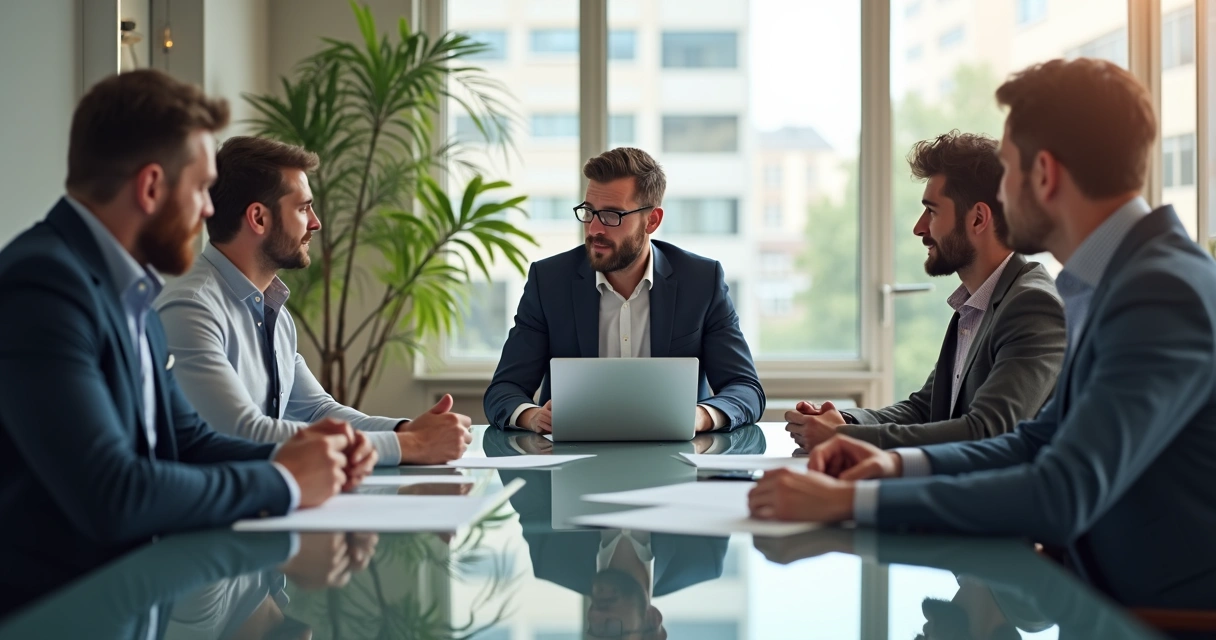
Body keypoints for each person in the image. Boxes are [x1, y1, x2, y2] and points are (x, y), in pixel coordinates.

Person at [749, 57, 1216, 609]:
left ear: (1044, 174)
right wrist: (891, 465)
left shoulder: (1160, 291)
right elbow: (1035, 440)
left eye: (1009, 170)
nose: (1002, 192)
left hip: (1158, 618)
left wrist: (849, 501)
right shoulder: (1115, 280)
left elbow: (1061, 490)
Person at [0, 70, 375, 612]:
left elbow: (190, 441)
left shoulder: (131, 290)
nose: (207, 210)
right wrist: (285, 482)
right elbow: (114, 494)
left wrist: (307, 455)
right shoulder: (43, 286)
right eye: (201, 188)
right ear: (151, 187)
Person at [155, 136, 472, 466]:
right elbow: (241, 432)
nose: (315, 222)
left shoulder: (270, 307)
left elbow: (318, 411)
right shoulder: (191, 309)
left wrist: (405, 430)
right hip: (213, 513)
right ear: (258, 218)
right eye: (303, 207)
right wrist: (410, 446)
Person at [786, 132, 1065, 451]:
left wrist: (843, 438)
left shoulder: (1031, 305)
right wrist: (845, 422)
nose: (919, 227)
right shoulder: (976, 305)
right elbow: (925, 409)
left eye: (932, 211)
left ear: (977, 219)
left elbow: (989, 431)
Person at [483, 147, 765, 433]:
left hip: (679, 459)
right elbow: (504, 390)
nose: (594, 229)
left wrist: (699, 417)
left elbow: (745, 389)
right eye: (589, 212)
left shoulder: (701, 281)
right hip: (571, 463)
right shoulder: (549, 281)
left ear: (652, 220)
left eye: (611, 215)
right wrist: (532, 416)